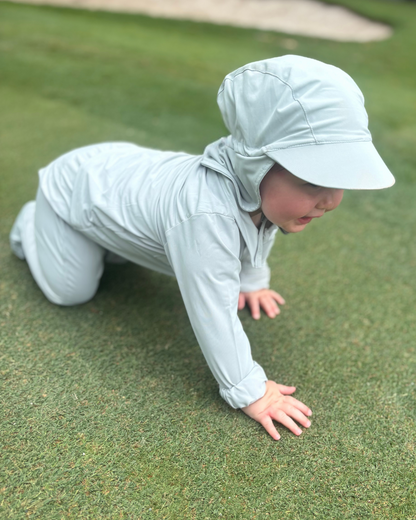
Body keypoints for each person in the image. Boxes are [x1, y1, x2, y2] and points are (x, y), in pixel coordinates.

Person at [9, 55, 395, 440]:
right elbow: (212, 311)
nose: (329, 199)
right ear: (256, 164)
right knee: (70, 292)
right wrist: (251, 391)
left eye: (339, 178)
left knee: (113, 260)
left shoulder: (259, 191)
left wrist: (253, 281)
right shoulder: (205, 216)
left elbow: (264, 225)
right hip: (73, 188)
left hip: (111, 176)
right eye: (313, 180)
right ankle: (33, 223)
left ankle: (92, 240)